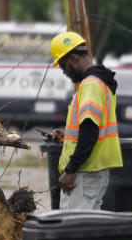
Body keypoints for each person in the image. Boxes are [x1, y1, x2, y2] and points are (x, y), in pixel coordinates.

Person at [48, 31, 122, 209]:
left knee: (73, 230)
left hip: (84, 174)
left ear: (74, 59)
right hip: (93, 172)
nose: (64, 72)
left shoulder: (90, 85)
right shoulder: (99, 83)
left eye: (63, 66)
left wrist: (69, 171)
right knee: (87, 230)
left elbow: (90, 132)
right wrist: (67, 137)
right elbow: (91, 128)